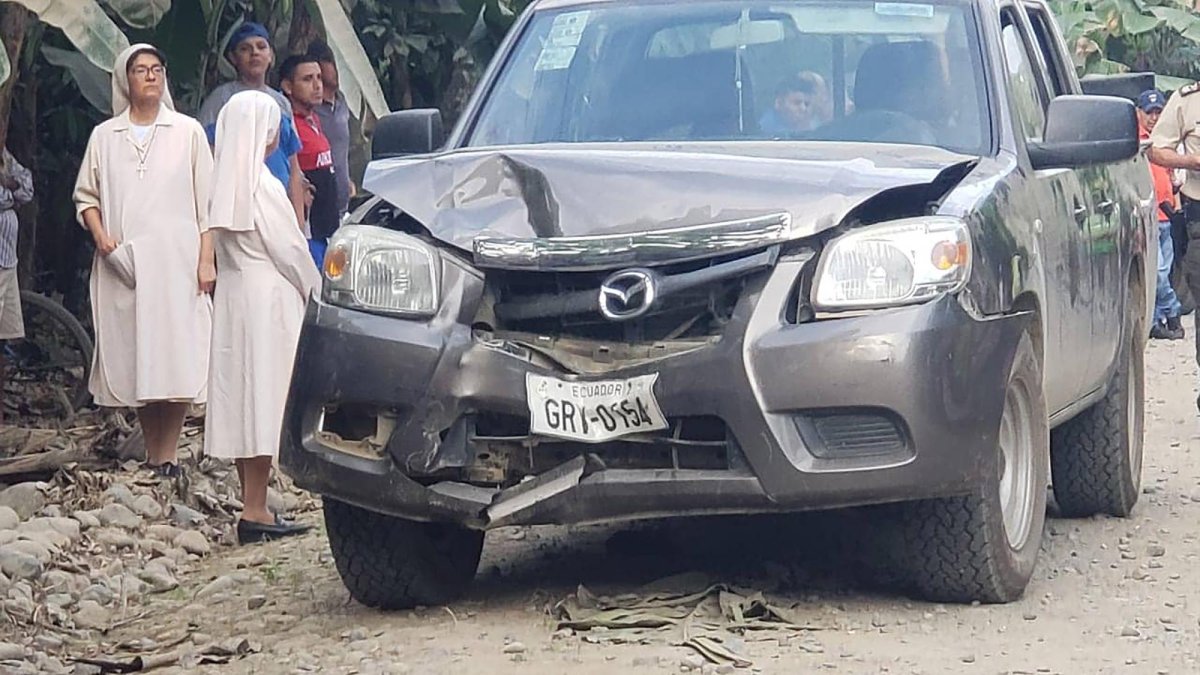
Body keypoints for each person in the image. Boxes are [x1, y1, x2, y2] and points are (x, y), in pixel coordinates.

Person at [73, 44, 214, 477]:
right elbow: (86, 196)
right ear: (125, 80)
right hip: (125, 263)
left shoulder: (187, 132)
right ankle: (155, 455)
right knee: (139, 356)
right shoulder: (104, 136)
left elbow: (208, 206)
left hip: (178, 263)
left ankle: (165, 455)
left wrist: (206, 261)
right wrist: (101, 238)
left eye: (156, 68)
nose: (150, 76)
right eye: (140, 70)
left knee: (174, 357)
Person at [204, 90, 320, 544]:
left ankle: (254, 504)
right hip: (268, 300)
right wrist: (318, 290)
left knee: (243, 400)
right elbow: (290, 250)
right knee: (265, 398)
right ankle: (255, 507)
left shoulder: (223, 183)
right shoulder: (261, 185)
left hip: (235, 297)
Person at [197, 22, 307, 228]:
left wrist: (299, 224)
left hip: (279, 206)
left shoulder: (281, 102)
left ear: (271, 56)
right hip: (239, 213)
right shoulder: (221, 100)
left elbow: (293, 166)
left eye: (261, 47)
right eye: (245, 49)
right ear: (233, 58)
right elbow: (206, 157)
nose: (254, 53)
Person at [280, 54, 338, 267]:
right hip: (308, 233)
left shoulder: (313, 119)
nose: (317, 86)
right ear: (287, 86)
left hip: (327, 230)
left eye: (319, 78)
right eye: (307, 79)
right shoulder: (286, 126)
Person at [1139, 90, 1185, 340]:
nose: (1154, 117)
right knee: (1155, 273)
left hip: (1167, 217)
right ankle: (1173, 310)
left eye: (1159, 112)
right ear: (1139, 113)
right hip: (1147, 216)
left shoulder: (1165, 143)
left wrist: (1177, 211)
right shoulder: (1137, 142)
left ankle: (1157, 322)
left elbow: (1171, 179)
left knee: (1162, 272)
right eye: (1150, 112)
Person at [0, 149, 34, 424]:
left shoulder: (5, 154)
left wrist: (9, 186)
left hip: (7, 256)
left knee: (5, 334)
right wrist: (9, 188)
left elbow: (26, 187)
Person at [306, 41, 353, 220]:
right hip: (316, 209)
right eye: (331, 62)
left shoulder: (342, 103)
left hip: (341, 208)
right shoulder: (307, 110)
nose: (337, 69)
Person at [759, 71, 832, 135]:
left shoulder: (816, 128)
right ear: (779, 103)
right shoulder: (764, 132)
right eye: (797, 103)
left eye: (807, 104)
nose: (803, 109)